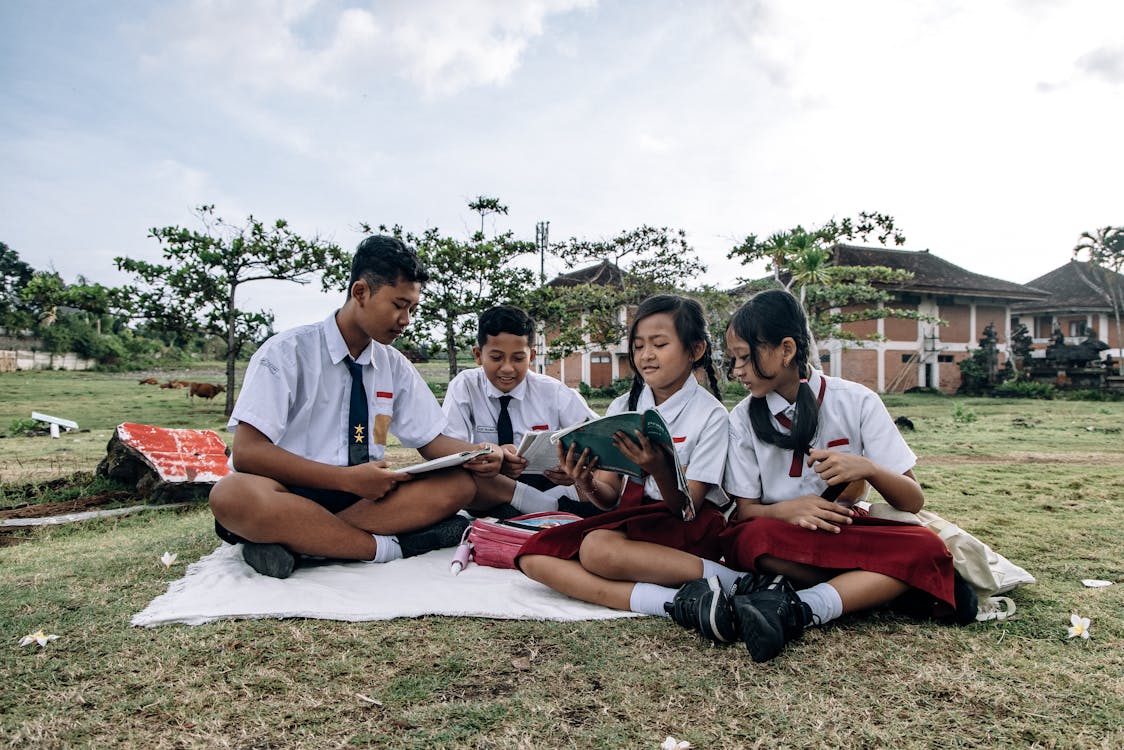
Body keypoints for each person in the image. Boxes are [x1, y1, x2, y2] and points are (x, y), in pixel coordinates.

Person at [667, 289, 973, 663]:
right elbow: (745, 511)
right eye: (733, 360)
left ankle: (798, 606)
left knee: (926, 545)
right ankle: (885, 584)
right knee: (747, 541)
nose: (737, 371)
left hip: (843, 530)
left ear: (786, 349)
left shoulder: (856, 400)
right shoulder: (742, 418)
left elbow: (913, 500)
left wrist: (869, 469)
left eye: (745, 357)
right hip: (778, 535)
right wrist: (788, 511)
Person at [208, 235, 506, 579]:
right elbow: (248, 453)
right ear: (360, 292)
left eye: (412, 309)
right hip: (286, 491)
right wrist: (345, 479)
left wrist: (482, 452)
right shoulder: (287, 352)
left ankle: (297, 539)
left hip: (364, 500)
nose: (406, 319)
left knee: (459, 484)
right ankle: (386, 548)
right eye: (398, 305)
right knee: (231, 494)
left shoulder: (393, 365)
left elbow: (432, 441)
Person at [515, 295, 731, 617]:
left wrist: (659, 469)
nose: (646, 356)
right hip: (629, 523)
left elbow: (688, 510)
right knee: (533, 557)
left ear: (695, 350)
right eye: (639, 345)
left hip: (684, 528)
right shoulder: (622, 407)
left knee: (596, 550)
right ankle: (670, 604)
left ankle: (731, 580)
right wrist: (583, 480)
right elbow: (609, 499)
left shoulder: (711, 416)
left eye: (659, 344)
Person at [442, 305, 599, 515]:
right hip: (491, 484)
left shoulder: (553, 390)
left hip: (548, 484)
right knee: (460, 479)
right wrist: (491, 456)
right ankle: (547, 507)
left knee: (602, 482)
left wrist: (574, 467)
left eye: (518, 358)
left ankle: (527, 506)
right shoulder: (465, 386)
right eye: (496, 358)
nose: (507, 368)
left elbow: (597, 435)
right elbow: (450, 449)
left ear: (532, 356)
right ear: (478, 355)